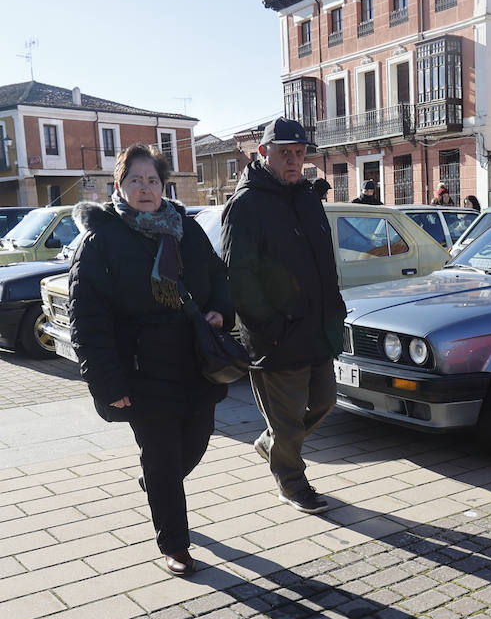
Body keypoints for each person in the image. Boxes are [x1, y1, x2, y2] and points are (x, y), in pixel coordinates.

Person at [68, 145, 234, 576]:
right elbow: (88, 319)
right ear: (119, 186)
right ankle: (175, 545)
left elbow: (219, 278)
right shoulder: (101, 239)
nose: (145, 188)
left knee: (195, 442)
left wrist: (220, 309)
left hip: (194, 362)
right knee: (161, 457)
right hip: (141, 369)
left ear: (164, 186)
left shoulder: (185, 230)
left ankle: (157, 486)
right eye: (136, 180)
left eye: (153, 180)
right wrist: (108, 384)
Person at [222, 117, 346, 515]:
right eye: (284, 153)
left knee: (325, 401)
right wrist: (270, 329)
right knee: (289, 421)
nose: (293, 161)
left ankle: (272, 443)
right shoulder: (246, 205)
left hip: (316, 328)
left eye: (298, 153)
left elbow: (324, 262)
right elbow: (237, 277)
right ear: (263, 154)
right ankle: (291, 483)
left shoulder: (307, 197)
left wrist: (333, 311)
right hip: (276, 336)